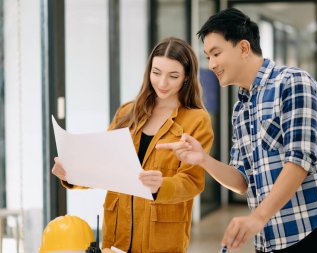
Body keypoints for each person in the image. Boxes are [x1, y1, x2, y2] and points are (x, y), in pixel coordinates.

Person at [157, 8, 317, 253]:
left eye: (216, 53)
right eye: (207, 56)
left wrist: (257, 218)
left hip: (315, 231)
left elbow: (299, 161)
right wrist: (203, 160)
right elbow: (242, 181)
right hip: (269, 240)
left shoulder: (293, 83)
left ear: (244, 48)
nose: (212, 64)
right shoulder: (240, 109)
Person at [52, 37, 214, 253]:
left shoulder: (196, 120)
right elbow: (104, 164)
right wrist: (71, 174)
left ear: (186, 77)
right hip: (117, 235)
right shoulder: (128, 112)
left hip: (161, 240)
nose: (163, 83)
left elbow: (192, 181)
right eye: (156, 73)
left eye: (173, 76)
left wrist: (160, 186)